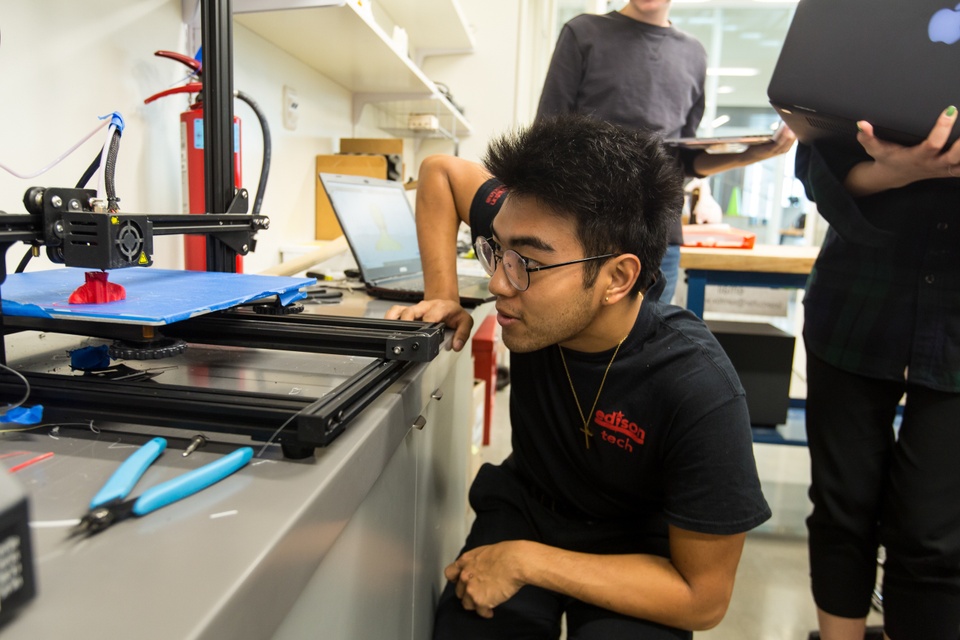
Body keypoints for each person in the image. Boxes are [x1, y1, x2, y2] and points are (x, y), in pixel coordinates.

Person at [388, 114, 771, 639]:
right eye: (496, 251)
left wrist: (527, 563)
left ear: (617, 277)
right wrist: (444, 295)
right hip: (530, 502)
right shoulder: (536, 241)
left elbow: (703, 600)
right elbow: (439, 173)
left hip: (638, 544)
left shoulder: (699, 389)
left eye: (526, 263)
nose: (499, 283)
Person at [796, 106, 960, 640]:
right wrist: (904, 169)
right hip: (857, 304)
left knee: (933, 534)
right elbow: (821, 159)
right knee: (842, 510)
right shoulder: (876, 35)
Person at [536, 0, 796, 302]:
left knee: (649, 345)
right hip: (584, 233)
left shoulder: (693, 54)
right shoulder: (583, 33)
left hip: (659, 238)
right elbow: (546, 139)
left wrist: (753, 154)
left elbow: (683, 160)